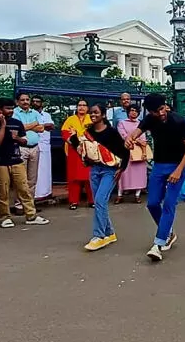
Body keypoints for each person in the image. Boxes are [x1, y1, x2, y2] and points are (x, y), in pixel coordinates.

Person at [124, 94, 185, 262]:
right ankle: (168, 233)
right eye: (157, 111)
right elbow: (135, 132)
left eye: (163, 109)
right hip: (159, 166)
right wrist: (129, 139)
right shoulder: (149, 119)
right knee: (152, 203)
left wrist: (178, 170)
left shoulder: (178, 121)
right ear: (150, 112)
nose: (162, 113)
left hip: (177, 166)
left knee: (169, 204)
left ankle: (158, 244)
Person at [67, 104, 129, 252]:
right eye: (91, 113)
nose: (93, 115)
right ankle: (109, 232)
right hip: (95, 169)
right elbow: (79, 145)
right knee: (99, 202)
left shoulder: (112, 133)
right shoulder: (87, 132)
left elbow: (124, 151)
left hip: (110, 170)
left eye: (96, 113)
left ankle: (98, 236)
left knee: (100, 200)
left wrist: (122, 169)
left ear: (103, 115)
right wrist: (73, 138)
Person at [0, 98, 50, 228]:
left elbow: (25, 141)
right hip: (0, 162)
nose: (10, 111)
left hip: (17, 159)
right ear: (0, 110)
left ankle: (31, 215)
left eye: (11, 108)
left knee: (24, 188)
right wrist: (3, 125)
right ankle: (5, 217)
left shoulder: (17, 123)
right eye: (7, 108)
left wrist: (17, 138)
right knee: (3, 190)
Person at [61, 100, 95, 209]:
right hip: (74, 151)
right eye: (79, 105)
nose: (81, 107)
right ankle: (73, 202)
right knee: (73, 177)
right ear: (76, 107)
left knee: (90, 177)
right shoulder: (70, 119)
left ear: (87, 108)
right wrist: (75, 142)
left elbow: (97, 133)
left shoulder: (92, 119)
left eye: (84, 105)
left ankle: (92, 201)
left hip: (90, 151)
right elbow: (65, 134)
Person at [13, 93, 45, 203]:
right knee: (21, 178)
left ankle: (29, 203)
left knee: (32, 178)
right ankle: (19, 204)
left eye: (27, 99)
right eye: (22, 100)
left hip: (35, 148)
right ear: (17, 102)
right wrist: (34, 124)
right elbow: (18, 128)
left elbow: (41, 128)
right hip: (21, 148)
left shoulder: (35, 112)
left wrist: (26, 127)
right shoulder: (14, 113)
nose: (25, 102)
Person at [116, 105, 148, 203]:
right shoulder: (122, 123)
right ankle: (119, 195)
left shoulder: (141, 124)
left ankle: (137, 195)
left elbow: (144, 139)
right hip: (125, 151)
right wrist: (137, 141)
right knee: (123, 173)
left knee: (139, 173)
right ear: (128, 112)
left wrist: (144, 151)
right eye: (131, 110)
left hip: (138, 151)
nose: (133, 112)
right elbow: (124, 136)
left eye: (135, 111)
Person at [31, 96, 55, 199]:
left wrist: (37, 126)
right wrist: (42, 126)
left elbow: (51, 126)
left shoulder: (46, 115)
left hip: (44, 146)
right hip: (32, 145)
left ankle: (45, 193)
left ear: (42, 103)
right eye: (33, 101)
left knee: (44, 171)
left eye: (38, 101)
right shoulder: (29, 114)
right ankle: (34, 195)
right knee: (33, 172)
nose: (35, 103)